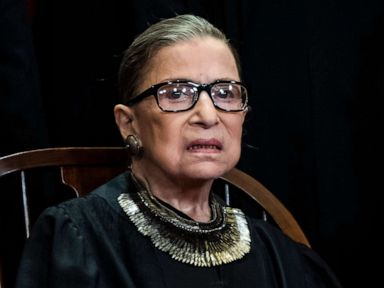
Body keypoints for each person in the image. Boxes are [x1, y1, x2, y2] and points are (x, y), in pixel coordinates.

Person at [15, 14, 342, 287]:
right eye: (177, 93)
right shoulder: (81, 238)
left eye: (225, 93)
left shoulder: (276, 252)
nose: (208, 116)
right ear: (128, 123)